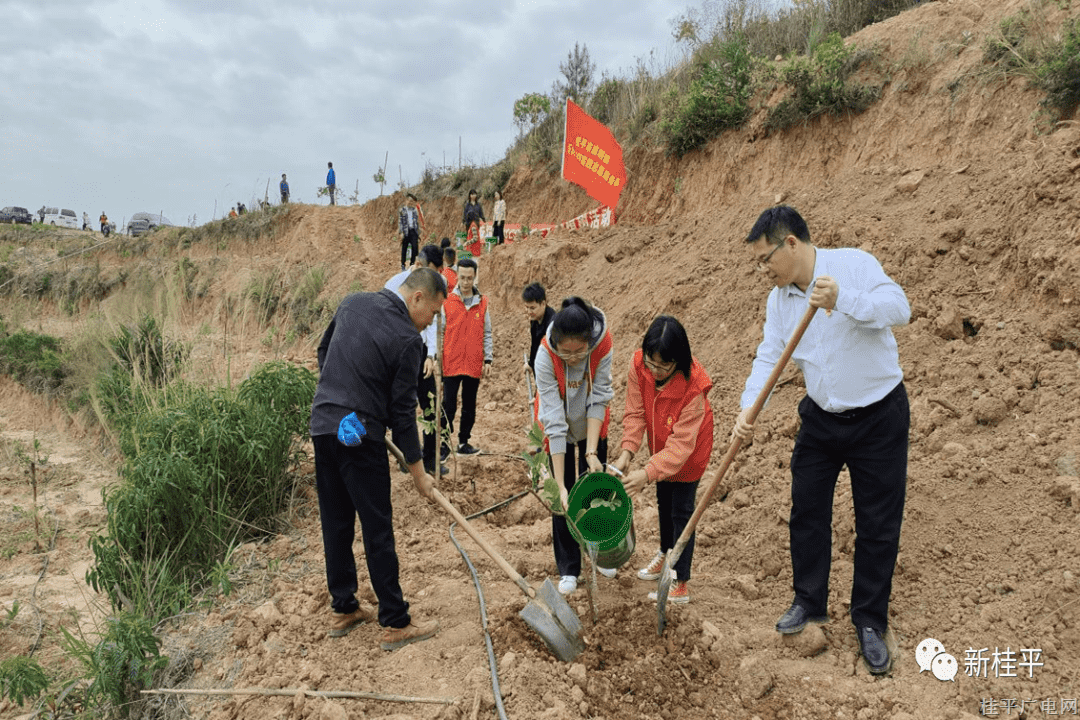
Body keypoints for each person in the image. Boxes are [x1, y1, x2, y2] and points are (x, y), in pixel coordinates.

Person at [732, 205, 910, 675]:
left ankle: (870, 621)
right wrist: (749, 412)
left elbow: (900, 309)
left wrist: (844, 300)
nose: (762, 269)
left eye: (765, 258)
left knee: (877, 523)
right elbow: (769, 357)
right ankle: (809, 601)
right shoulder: (779, 301)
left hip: (878, 415)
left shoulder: (853, 265)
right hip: (822, 418)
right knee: (807, 509)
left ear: (791, 243)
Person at [310, 267, 446, 650]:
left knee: (335, 522)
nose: (429, 324)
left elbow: (324, 353)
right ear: (417, 297)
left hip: (323, 426)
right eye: (433, 314)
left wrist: (342, 397)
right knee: (377, 527)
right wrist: (419, 474)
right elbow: (403, 415)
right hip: (359, 439)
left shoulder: (352, 302)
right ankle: (395, 620)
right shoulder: (407, 341)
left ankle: (343, 607)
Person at [610, 316, 714, 605]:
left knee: (681, 511)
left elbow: (681, 446)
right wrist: (627, 453)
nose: (654, 371)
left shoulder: (693, 389)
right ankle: (666, 552)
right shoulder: (638, 366)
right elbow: (635, 412)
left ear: (678, 361)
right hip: (661, 446)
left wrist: (647, 471)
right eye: (650, 362)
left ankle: (680, 580)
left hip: (690, 451)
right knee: (663, 500)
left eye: (663, 365)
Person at [535, 297, 614, 595]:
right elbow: (553, 418)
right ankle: (569, 567)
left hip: (592, 423)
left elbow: (600, 395)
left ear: (589, 341)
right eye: (565, 352)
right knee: (564, 498)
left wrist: (591, 452)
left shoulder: (602, 344)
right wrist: (559, 483)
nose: (572, 358)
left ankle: (599, 552)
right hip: (559, 431)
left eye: (579, 351)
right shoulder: (545, 357)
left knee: (595, 486)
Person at [385, 245, 447, 476]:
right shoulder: (395, 284)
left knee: (430, 404)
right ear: (419, 266)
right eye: (433, 270)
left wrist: (431, 355)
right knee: (403, 405)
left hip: (421, 352)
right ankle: (405, 458)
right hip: (399, 352)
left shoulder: (434, 289)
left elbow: (432, 322)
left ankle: (431, 458)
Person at [441, 258, 491, 457]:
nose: (466, 282)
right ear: (458, 276)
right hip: (451, 362)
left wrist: (488, 360)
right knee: (449, 405)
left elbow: (487, 332)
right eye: (462, 277)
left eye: (470, 278)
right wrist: (436, 357)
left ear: (475, 277)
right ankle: (444, 445)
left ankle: (463, 442)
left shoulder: (483, 302)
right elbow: (441, 331)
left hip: (473, 362)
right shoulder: (448, 302)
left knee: (469, 405)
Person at [523, 283, 555, 374]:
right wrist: (530, 364)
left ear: (543, 304)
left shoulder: (552, 325)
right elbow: (535, 344)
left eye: (532, 308)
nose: (529, 312)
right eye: (527, 308)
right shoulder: (535, 320)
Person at [398, 194, 424, 271]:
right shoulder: (402, 210)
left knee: (415, 248)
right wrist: (401, 232)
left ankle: (412, 264)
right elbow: (400, 222)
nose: (410, 202)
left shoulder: (414, 210)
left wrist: (419, 232)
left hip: (413, 231)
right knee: (404, 248)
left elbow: (417, 222)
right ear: (406, 201)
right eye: (409, 201)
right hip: (406, 231)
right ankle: (403, 264)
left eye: (412, 201)